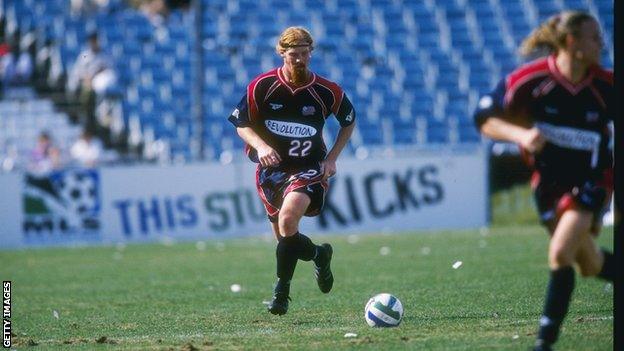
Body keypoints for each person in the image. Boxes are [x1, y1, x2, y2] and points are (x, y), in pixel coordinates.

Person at [473, 11, 613, 351]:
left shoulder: (605, 85)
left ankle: (544, 342)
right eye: (594, 37)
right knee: (590, 263)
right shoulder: (532, 80)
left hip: (594, 179)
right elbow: (484, 118)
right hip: (548, 184)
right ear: (572, 42)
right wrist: (520, 135)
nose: (602, 43)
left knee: (560, 252)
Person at [227, 27, 356, 315]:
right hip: (271, 171)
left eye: (304, 54)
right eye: (293, 55)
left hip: (309, 168)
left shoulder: (327, 90)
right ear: (281, 53)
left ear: (311, 53)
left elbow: (348, 121)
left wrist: (332, 158)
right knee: (286, 238)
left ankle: (281, 294)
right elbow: (241, 124)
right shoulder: (262, 86)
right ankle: (320, 255)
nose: (299, 60)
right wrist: (261, 146)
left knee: (287, 219)